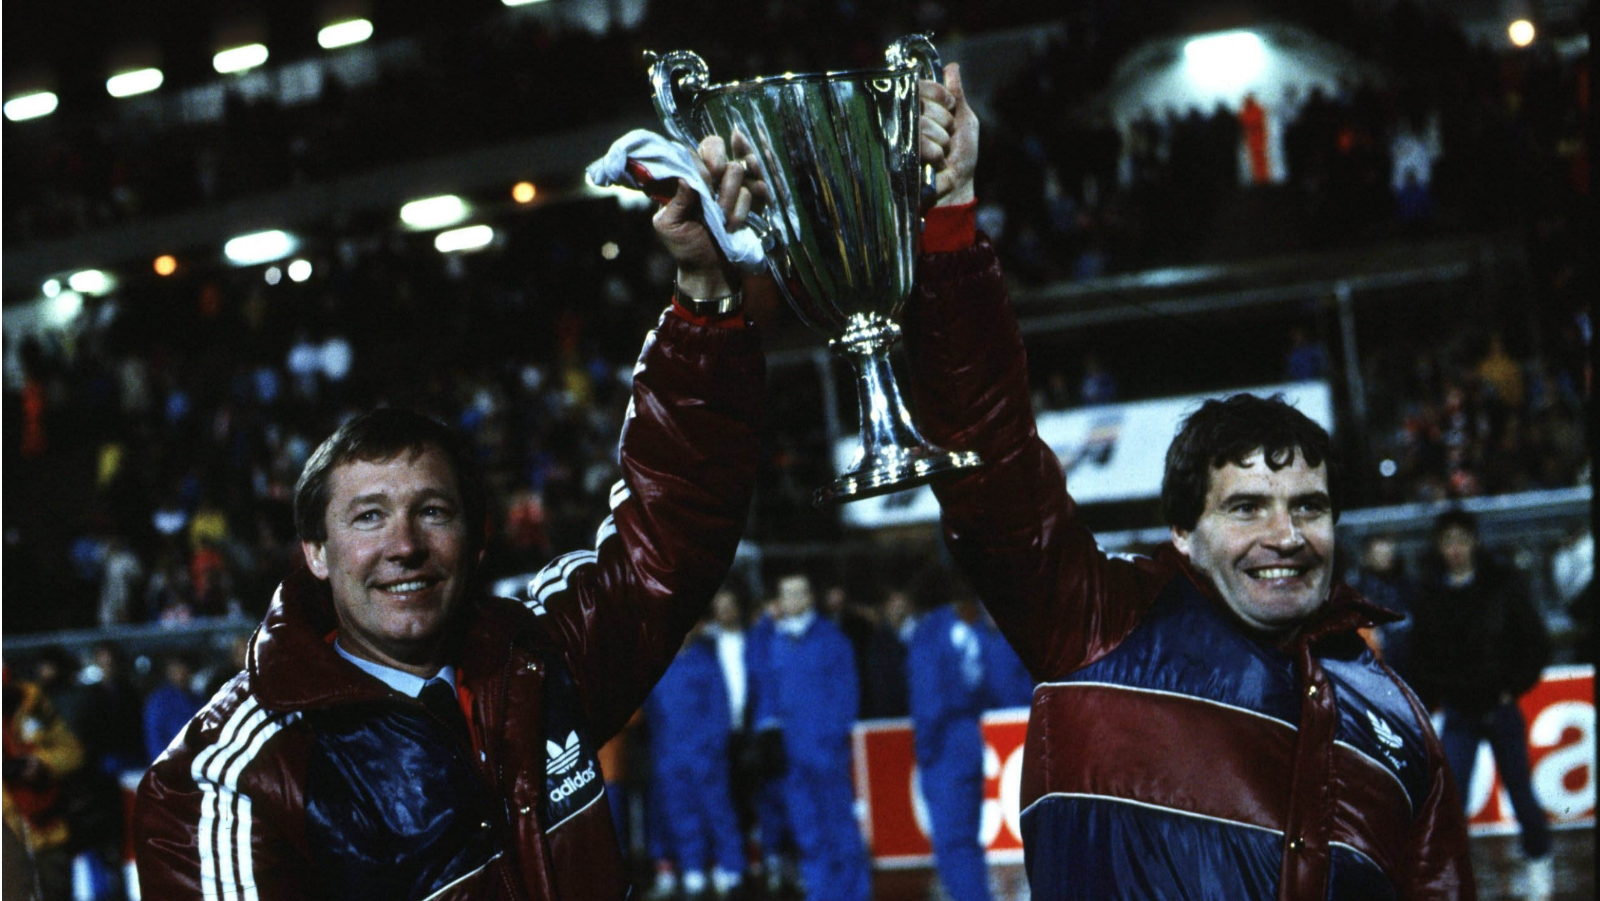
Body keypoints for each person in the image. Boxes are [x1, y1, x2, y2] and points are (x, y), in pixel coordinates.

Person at [132, 133, 771, 900]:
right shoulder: (226, 780)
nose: (404, 545)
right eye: (367, 517)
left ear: (476, 539)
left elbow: (678, 527)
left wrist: (703, 288)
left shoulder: (538, 655)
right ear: (315, 552)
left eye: (431, 511)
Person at [901, 63, 1475, 899]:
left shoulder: (1394, 712)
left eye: (1308, 506)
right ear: (1183, 531)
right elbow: (986, 450)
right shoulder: (1097, 623)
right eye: (1246, 506)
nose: (1286, 534)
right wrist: (950, 227)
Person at [1410, 509, 1553, 901]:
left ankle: (1540, 866)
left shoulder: (1502, 586)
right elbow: (1420, 655)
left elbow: (1536, 643)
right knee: (1451, 799)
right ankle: (1453, 877)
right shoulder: (1431, 595)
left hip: (1499, 708)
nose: (1455, 549)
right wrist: (1435, 695)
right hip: (1459, 712)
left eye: (1461, 540)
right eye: (1448, 541)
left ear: (1473, 541)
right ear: (1440, 547)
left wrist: (1512, 686)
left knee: (1520, 791)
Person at [758, 574, 871, 901]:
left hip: (826, 753)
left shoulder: (832, 640)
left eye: (798, 593)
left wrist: (832, 739)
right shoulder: (776, 642)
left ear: (809, 597)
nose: (792, 600)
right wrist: (768, 732)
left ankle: (854, 894)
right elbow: (768, 692)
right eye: (785, 594)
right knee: (808, 833)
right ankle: (822, 894)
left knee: (840, 830)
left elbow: (847, 694)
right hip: (792, 758)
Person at [643, 620, 745, 899]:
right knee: (681, 815)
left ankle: (731, 869)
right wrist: (662, 754)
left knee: (718, 812)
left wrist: (714, 747)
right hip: (670, 756)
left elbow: (719, 707)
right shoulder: (657, 667)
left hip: (706, 754)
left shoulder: (705, 661)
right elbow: (653, 716)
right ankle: (693, 869)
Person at [907, 597, 994, 901]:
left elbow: (929, 701)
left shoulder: (930, 633)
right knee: (967, 841)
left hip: (944, 745)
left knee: (952, 845)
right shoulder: (966, 629)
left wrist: (925, 749)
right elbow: (983, 686)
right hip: (969, 737)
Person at [142, 655, 204, 764]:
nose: (181, 673)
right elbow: (154, 738)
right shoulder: (158, 702)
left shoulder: (197, 700)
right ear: (169, 672)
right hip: (170, 764)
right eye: (176, 669)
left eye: (184, 669)